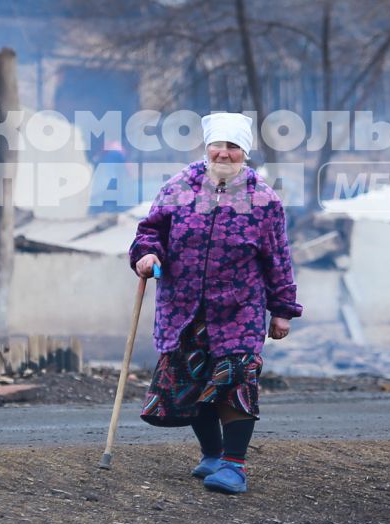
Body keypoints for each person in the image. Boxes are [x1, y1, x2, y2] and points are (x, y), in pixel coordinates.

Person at [128, 111, 299, 494]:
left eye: (233, 147)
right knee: (193, 380)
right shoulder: (178, 188)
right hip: (183, 305)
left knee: (236, 379)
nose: (224, 153)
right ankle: (211, 454)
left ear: (245, 153)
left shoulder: (263, 200)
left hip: (239, 308)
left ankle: (234, 466)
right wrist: (146, 255)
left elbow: (278, 258)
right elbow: (150, 231)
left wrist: (283, 308)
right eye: (218, 145)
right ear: (207, 149)